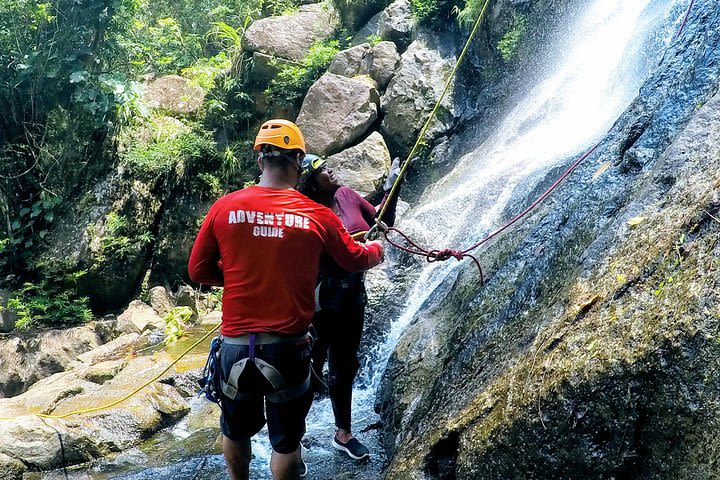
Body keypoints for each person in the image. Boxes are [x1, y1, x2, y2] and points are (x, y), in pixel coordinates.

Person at [188, 119, 384, 480]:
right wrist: (376, 250)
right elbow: (353, 259)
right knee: (286, 445)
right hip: (287, 349)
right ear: (297, 161)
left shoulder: (225, 207)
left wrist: (236, 279)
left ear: (260, 160)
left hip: (234, 345)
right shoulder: (317, 215)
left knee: (234, 430)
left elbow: (198, 270)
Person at [297, 153, 405, 461]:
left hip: (353, 295)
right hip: (321, 301)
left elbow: (381, 219)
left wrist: (391, 188)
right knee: (312, 366)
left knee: (345, 366)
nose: (331, 171)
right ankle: (295, 437)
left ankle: (343, 434)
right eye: (323, 170)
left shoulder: (346, 196)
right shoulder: (307, 213)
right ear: (310, 182)